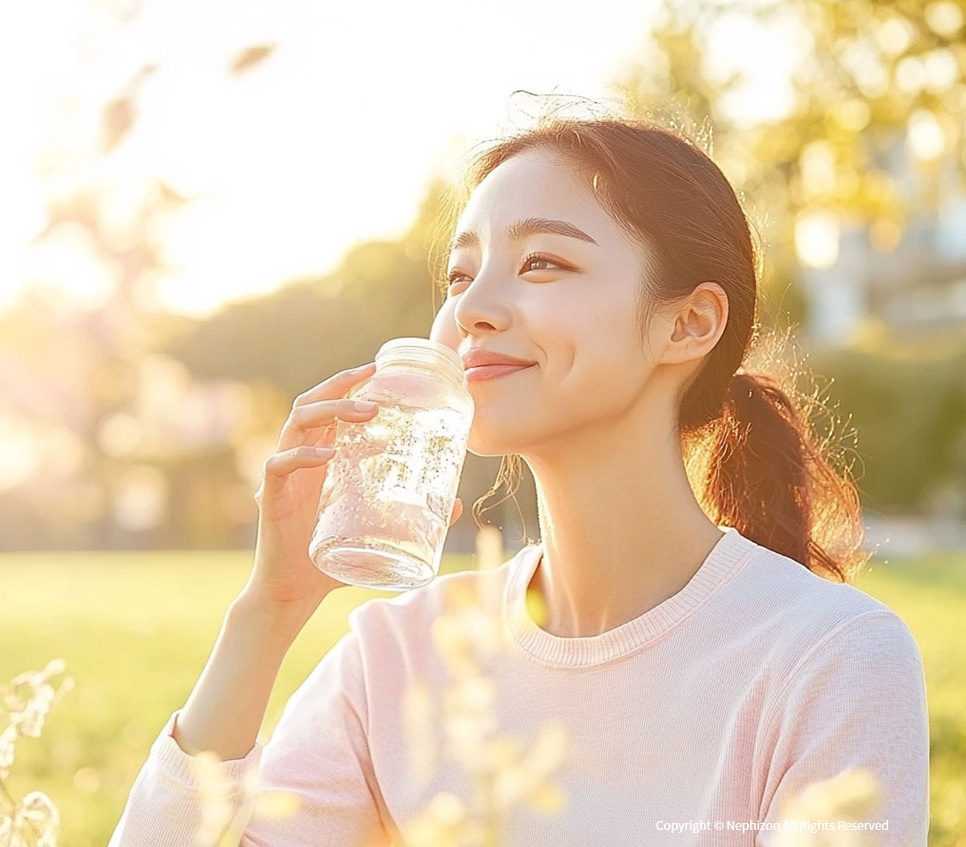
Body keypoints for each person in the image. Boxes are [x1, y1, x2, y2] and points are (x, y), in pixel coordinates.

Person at [109, 105, 929, 846]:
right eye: (461, 274)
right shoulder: (397, 658)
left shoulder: (829, 658)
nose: (471, 309)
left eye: (542, 263)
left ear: (688, 322)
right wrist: (268, 613)